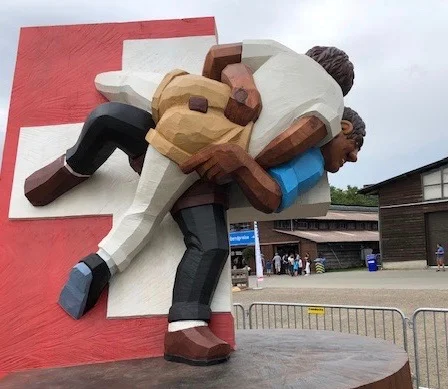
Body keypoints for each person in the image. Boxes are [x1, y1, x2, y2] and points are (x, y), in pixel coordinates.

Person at [24, 40, 364, 365]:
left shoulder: (309, 155)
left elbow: (270, 195)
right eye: (351, 150)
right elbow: (292, 134)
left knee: (209, 243)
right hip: (187, 145)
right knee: (109, 120)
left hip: (198, 170)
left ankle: (185, 327)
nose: (352, 160)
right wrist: (243, 92)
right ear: (343, 125)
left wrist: (241, 156)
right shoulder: (323, 115)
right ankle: (73, 172)